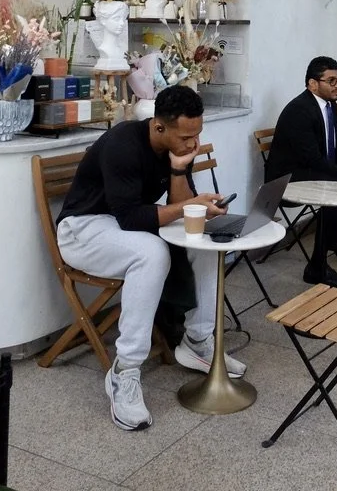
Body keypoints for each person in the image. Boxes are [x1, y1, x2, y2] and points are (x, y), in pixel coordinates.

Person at [56, 85, 246, 432]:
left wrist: (179, 172)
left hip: (122, 221)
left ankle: (196, 341)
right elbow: (130, 218)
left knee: (204, 240)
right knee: (153, 253)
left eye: (198, 134)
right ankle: (124, 372)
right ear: (159, 127)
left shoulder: (175, 148)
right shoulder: (123, 144)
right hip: (83, 229)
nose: (193, 143)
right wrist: (189, 206)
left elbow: (179, 206)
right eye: (187, 136)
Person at [265, 56, 337, 291]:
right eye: (331, 80)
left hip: (313, 170)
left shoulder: (329, 106)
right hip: (288, 179)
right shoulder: (299, 110)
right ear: (312, 84)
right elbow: (312, 158)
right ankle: (317, 266)